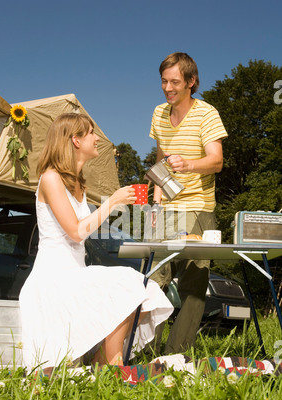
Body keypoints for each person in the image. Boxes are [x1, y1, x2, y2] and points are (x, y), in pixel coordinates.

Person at [19, 113, 173, 372]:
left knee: (142, 288)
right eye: (91, 132)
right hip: (52, 279)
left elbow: (84, 230)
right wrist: (112, 201)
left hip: (74, 274)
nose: (97, 138)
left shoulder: (77, 183)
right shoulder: (51, 178)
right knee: (127, 282)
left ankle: (106, 363)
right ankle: (111, 366)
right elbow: (76, 232)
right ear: (75, 140)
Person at [149, 52, 228, 353]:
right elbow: (159, 160)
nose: (168, 88)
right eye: (164, 82)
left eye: (174, 82)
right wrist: (155, 204)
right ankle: (148, 350)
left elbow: (216, 161)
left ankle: (175, 354)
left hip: (198, 209)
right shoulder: (158, 113)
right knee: (153, 281)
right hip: (166, 209)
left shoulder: (207, 114)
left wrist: (189, 165)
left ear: (191, 82)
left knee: (192, 287)